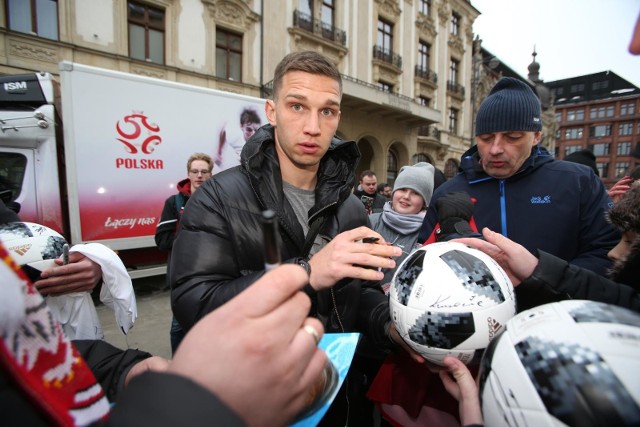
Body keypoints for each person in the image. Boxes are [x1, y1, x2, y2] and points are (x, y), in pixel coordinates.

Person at [169, 50, 415, 426]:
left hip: (335, 400)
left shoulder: (349, 208)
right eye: (297, 106)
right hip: (251, 403)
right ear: (271, 112)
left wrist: (390, 326)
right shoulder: (219, 197)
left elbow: (357, 294)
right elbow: (193, 304)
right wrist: (307, 272)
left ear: (338, 119)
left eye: (327, 111)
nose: (313, 126)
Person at [1, 235, 328, 426]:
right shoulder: (190, 202)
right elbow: (182, 272)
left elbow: (35, 362)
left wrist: (123, 369)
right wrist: (195, 408)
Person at [417, 77, 619, 278]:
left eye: (512, 137)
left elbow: (606, 253)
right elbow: (425, 260)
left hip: (557, 307)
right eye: (486, 138)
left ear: (536, 136)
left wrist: (545, 282)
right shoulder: (447, 192)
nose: (495, 149)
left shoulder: (579, 182)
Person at [457, 181, 640, 312]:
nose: (612, 253)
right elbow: (622, 300)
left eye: (630, 242)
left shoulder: (577, 179)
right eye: (486, 138)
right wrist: (536, 272)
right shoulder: (456, 186)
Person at [352, 162, 434, 425]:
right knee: (358, 400)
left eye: (415, 192)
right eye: (402, 189)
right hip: (362, 322)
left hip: (400, 336)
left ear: (425, 201)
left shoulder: (429, 233)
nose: (406, 196)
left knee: (390, 404)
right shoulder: (371, 221)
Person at [155, 152, 213, 354]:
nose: (199, 175)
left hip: (214, 272)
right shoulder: (174, 203)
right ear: (188, 174)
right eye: (195, 171)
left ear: (210, 174)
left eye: (204, 171)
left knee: (211, 322)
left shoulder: (219, 200)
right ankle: (179, 367)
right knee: (179, 325)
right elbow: (161, 240)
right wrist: (192, 240)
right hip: (183, 274)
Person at [215, 106, 262, 170]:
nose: (253, 134)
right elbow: (223, 131)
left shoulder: (260, 141)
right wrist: (219, 152)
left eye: (256, 130)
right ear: (241, 126)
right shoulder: (235, 137)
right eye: (249, 129)